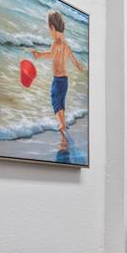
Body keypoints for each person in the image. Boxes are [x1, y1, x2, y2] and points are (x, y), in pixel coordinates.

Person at [32, 10, 85, 150]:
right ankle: (63, 124)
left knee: (55, 101)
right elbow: (73, 59)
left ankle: (61, 124)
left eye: (49, 29)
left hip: (57, 80)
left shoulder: (55, 42)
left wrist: (39, 55)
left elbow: (51, 54)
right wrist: (79, 65)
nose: (49, 32)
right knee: (61, 102)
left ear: (53, 28)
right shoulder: (66, 45)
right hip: (65, 80)